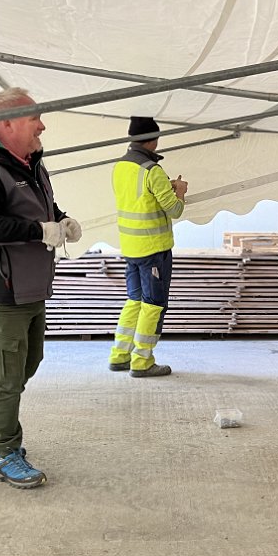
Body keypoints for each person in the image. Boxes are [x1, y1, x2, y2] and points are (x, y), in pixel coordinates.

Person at [0, 87, 82, 489]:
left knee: (28, 363)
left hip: (30, 285)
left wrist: (60, 219)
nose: (42, 126)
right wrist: (37, 231)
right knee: (8, 377)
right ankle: (6, 452)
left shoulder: (31, 162)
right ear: (6, 123)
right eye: (34, 119)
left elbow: (37, 208)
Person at [108, 116, 187, 377]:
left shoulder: (120, 166)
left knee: (134, 300)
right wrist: (180, 191)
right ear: (153, 140)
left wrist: (165, 188)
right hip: (153, 249)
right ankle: (142, 362)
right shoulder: (152, 171)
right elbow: (174, 210)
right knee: (153, 305)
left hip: (130, 247)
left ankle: (120, 355)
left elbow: (140, 199)